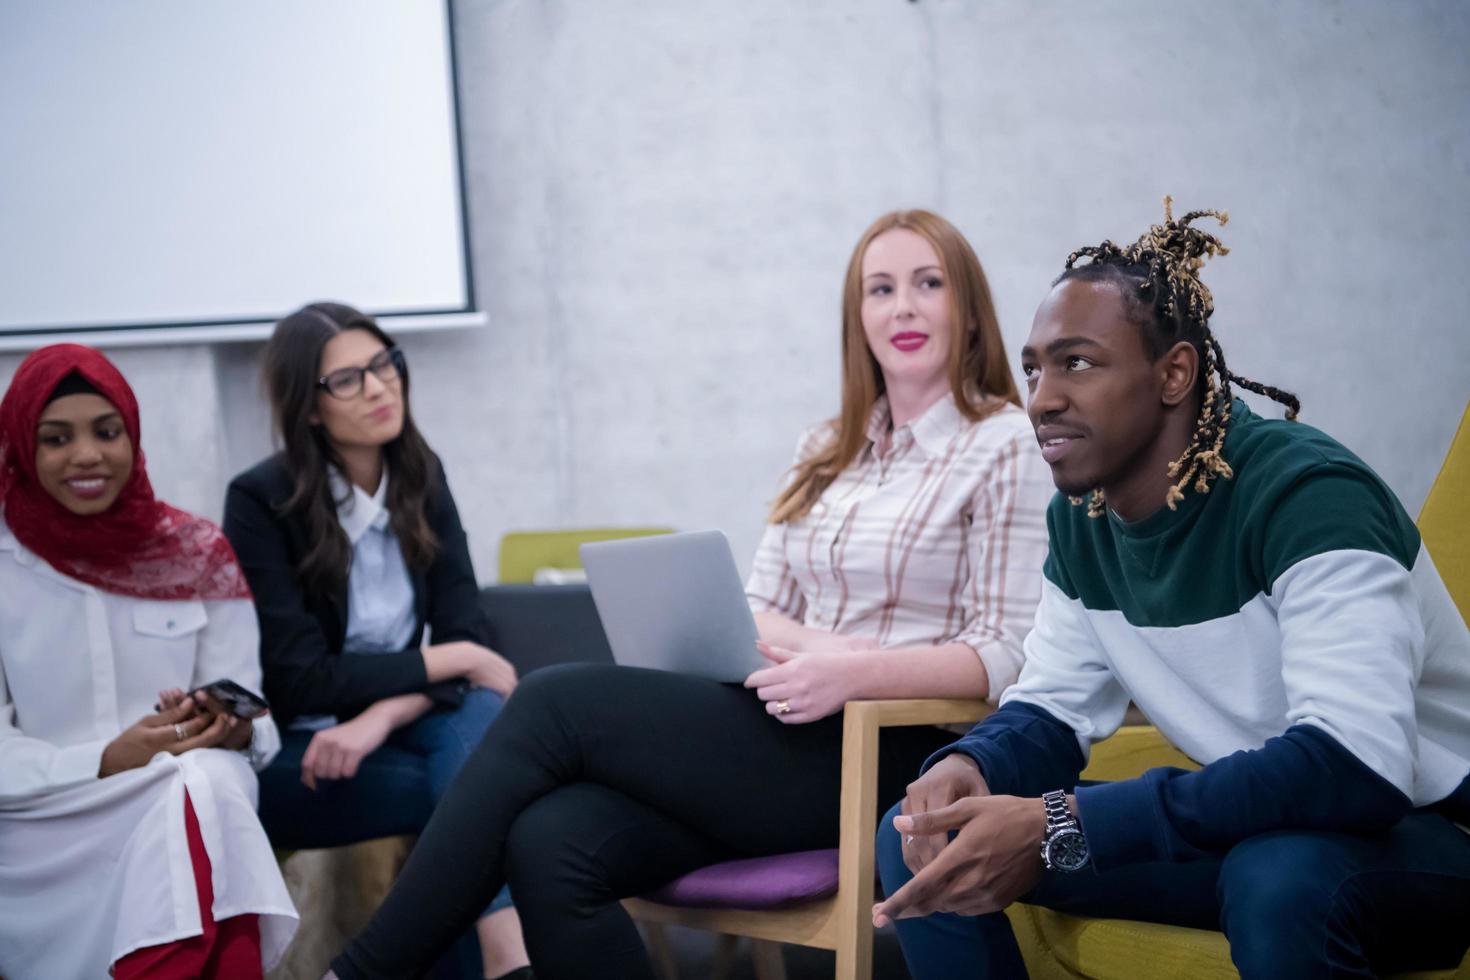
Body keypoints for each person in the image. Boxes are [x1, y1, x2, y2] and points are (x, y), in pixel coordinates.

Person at [326, 209, 1054, 979]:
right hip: (785, 727)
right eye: (881, 289)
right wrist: (820, 650)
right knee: (553, 838)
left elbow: (1005, 655)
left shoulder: (1004, 443)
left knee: (551, 704)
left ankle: (364, 972)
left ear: (968, 309)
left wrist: (856, 673)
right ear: (858, 317)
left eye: (927, 283)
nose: (902, 306)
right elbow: (758, 604)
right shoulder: (826, 448)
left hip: (893, 749)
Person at [872, 200, 1470, 978]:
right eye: (1034, 367)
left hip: (1427, 833)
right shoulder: (1084, 520)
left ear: (1174, 373)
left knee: (1279, 879)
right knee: (919, 831)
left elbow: (1356, 764)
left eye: (1077, 362)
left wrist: (1066, 820)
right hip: (1258, 827)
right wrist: (975, 765)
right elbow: (1052, 707)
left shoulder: (1309, 496)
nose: (1042, 396)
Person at [222, 303, 530, 980]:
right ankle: (505, 960)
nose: (380, 387)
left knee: (475, 750)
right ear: (309, 408)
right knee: (481, 789)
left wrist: (380, 717)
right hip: (301, 754)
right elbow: (300, 679)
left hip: (385, 733)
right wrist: (460, 660)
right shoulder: (261, 501)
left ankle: (490, 960)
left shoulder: (421, 473)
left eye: (385, 363)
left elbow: (465, 631)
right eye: (349, 379)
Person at [0, 344, 297, 979]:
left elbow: (252, 711)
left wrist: (232, 727)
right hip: (44, 817)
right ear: (23, 448)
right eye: (56, 438)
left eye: (108, 432)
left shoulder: (195, 551)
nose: (88, 455)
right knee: (199, 797)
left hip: (181, 793)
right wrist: (106, 760)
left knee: (205, 783)